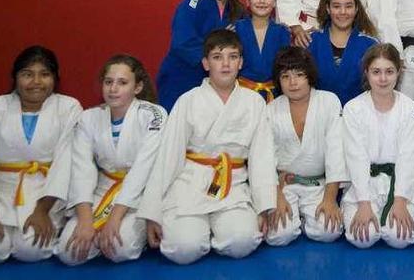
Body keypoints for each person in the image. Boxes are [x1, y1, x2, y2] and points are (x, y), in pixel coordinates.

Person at [137, 30, 276, 265]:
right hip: (190, 183)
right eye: (217, 57)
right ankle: (200, 231)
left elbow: (262, 158)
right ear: (205, 63)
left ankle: (219, 229)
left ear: (241, 63)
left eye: (233, 57)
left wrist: (264, 206)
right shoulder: (188, 100)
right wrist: (152, 211)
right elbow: (168, 157)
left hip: (233, 185)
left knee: (241, 243)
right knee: (183, 249)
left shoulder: (254, 102)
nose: (225, 64)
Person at [0, 46, 82, 268]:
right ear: (15, 78)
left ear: (55, 78)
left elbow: (65, 162)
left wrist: (42, 211)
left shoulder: (68, 107)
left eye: (45, 74)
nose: (36, 82)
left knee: (31, 249)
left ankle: (40, 229)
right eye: (27, 74)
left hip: (45, 193)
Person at [56, 55, 166, 265]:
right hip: (103, 188)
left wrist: (114, 219)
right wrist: (86, 221)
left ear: (137, 87)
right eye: (108, 82)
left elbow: (143, 168)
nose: (113, 89)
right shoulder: (89, 118)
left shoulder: (153, 114)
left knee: (118, 249)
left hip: (140, 194)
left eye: (122, 83)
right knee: (68, 253)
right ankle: (96, 235)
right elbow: (82, 169)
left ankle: (127, 234)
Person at [341, 43, 414, 249]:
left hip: (399, 185)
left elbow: (409, 157)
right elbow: (355, 156)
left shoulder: (410, 109)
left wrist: (401, 201)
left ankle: (397, 207)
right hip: (362, 185)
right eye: (376, 72)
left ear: (399, 72)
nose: (383, 78)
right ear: (366, 73)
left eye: (389, 71)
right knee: (363, 238)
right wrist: (364, 203)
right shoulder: (353, 109)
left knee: (400, 239)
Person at [265, 47, 346, 246]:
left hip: (318, 184)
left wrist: (330, 198)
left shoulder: (329, 102)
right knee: (277, 236)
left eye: (299, 75)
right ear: (278, 81)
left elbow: (337, 153)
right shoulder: (271, 110)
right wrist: (276, 197)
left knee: (329, 231)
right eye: (285, 76)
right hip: (284, 185)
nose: (293, 83)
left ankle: (303, 218)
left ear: (310, 76)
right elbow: (265, 158)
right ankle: (296, 219)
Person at [156, 0, 244, 112]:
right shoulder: (193, 4)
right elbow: (182, 42)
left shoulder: (238, 11)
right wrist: (218, 43)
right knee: (176, 127)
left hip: (215, 81)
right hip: (182, 75)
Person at [308, 0, 379, 105]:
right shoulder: (311, 42)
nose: (343, 12)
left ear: (356, 9)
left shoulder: (371, 45)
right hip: (320, 117)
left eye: (348, 6)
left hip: (357, 117)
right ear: (328, 9)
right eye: (336, 6)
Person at [235, 0, 291, 102]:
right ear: (247, 1)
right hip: (242, 94)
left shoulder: (283, 32)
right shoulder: (237, 29)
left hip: (273, 95)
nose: (262, 1)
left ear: (275, 2)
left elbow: (285, 68)